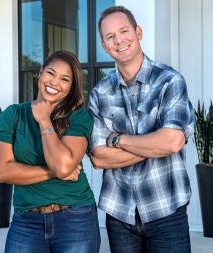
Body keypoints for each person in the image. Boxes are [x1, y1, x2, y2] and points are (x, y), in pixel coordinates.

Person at [88, 6, 195, 253]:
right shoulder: (99, 93)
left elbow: (171, 142)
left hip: (167, 210)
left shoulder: (169, 81)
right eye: (110, 36)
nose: (119, 40)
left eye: (124, 31)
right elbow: (98, 157)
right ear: (104, 45)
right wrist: (155, 144)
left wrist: (118, 139)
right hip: (120, 214)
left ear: (138, 32)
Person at [0, 50, 100, 253]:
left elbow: (62, 165)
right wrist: (53, 172)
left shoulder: (79, 117)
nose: (54, 82)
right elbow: (3, 172)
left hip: (75, 218)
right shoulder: (13, 115)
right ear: (40, 73)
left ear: (71, 88)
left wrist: (44, 119)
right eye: (50, 73)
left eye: (65, 79)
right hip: (27, 221)